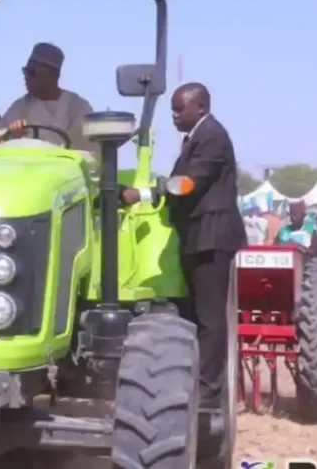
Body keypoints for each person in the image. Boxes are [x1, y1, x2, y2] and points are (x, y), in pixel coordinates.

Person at [121, 83, 245, 410]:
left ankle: (208, 391)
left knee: (209, 317)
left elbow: (188, 184)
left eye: (180, 109)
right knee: (195, 315)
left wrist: (143, 194)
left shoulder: (213, 138)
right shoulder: (197, 139)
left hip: (211, 237)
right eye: (173, 109)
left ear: (200, 107)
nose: (174, 116)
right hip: (196, 236)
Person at [0, 42, 96, 152]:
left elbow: (89, 155)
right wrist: (11, 136)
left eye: (31, 72)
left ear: (53, 75)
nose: (25, 77)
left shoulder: (77, 107)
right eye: (25, 71)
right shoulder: (21, 106)